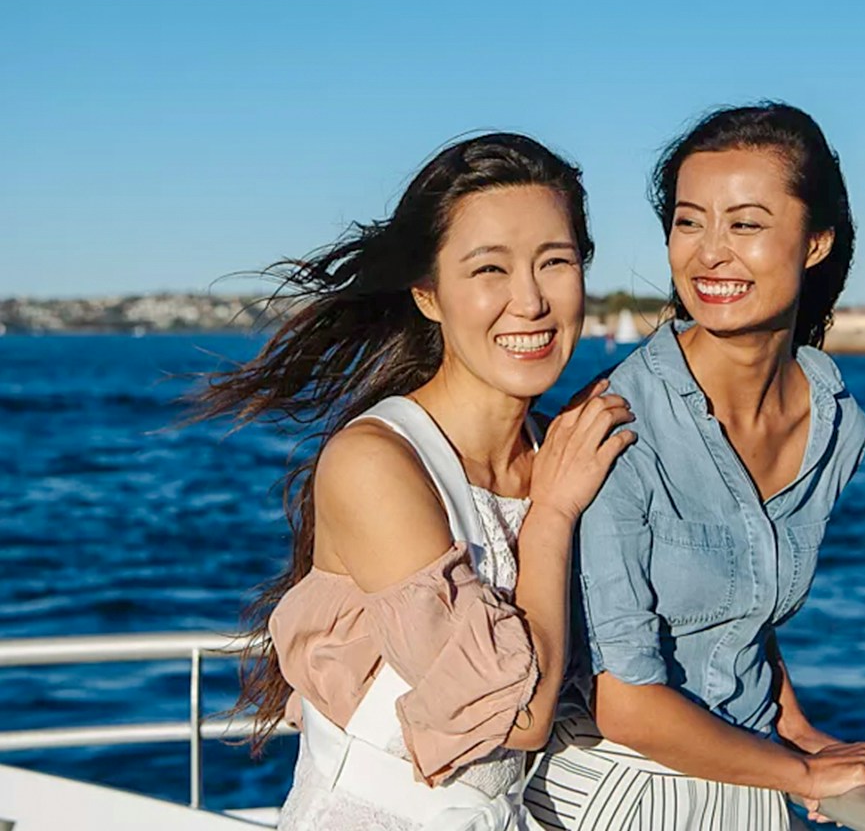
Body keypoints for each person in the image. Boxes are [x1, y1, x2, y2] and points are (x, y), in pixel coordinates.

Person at [197, 133, 635, 831]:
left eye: (554, 262)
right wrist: (551, 515)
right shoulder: (376, 462)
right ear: (429, 295)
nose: (530, 301)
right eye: (489, 269)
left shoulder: (559, 450)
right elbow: (515, 718)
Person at [524, 104, 865, 829]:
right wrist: (800, 769)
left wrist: (797, 726)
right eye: (690, 222)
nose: (709, 253)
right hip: (620, 790)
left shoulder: (837, 422)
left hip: (750, 780)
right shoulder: (615, 420)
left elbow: (742, 606)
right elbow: (622, 699)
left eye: (745, 224)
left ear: (815, 242)